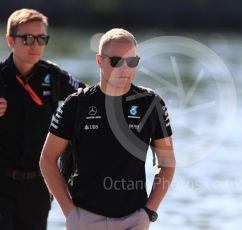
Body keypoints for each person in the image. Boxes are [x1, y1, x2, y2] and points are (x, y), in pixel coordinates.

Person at [40, 28, 176, 230]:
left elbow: (167, 162)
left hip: (133, 219)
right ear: (99, 61)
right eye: (116, 62)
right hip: (85, 218)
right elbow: (47, 159)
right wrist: (69, 211)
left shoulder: (151, 103)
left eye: (132, 62)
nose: (125, 69)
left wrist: (149, 211)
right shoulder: (77, 103)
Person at [0, 8, 86, 230]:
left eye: (41, 38)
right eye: (27, 38)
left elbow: (89, 99)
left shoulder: (54, 76)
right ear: (11, 40)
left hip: (38, 186)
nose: (35, 45)